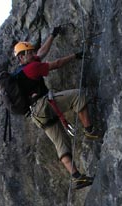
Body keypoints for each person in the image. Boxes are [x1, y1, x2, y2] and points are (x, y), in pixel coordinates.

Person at [13, 27, 98, 189]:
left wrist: (52, 34)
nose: (32, 54)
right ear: (22, 57)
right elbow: (56, 64)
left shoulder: (22, 71)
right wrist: (75, 56)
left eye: (31, 52)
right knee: (77, 96)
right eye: (29, 53)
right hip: (43, 105)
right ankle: (90, 130)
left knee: (61, 143)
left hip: (36, 115)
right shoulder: (31, 68)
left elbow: (42, 52)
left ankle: (77, 177)